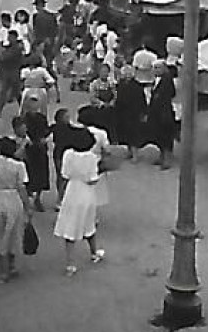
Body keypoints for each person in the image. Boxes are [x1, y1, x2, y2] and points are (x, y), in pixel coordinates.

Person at [52, 126, 104, 276]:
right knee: (89, 224)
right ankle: (94, 253)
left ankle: (70, 264)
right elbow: (93, 180)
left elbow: (64, 174)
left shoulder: (68, 154)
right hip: (87, 194)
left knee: (70, 228)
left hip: (72, 192)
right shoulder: (92, 158)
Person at [0, 135, 32, 283]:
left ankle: (3, 271)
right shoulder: (19, 166)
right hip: (14, 199)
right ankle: (12, 265)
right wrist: (28, 206)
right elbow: (22, 188)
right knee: (14, 233)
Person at [145, 59, 178, 168]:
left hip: (164, 112)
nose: (156, 70)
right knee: (158, 135)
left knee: (165, 136)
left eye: (158, 67)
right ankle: (161, 156)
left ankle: (167, 159)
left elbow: (170, 93)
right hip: (156, 112)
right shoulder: (155, 80)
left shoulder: (167, 80)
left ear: (164, 68)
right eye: (155, 68)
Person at [113, 64, 147, 157]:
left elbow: (142, 100)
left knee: (134, 134)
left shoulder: (137, 86)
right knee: (124, 133)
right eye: (125, 73)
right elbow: (118, 99)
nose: (127, 75)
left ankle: (135, 154)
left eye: (129, 73)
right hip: (122, 113)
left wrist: (143, 113)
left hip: (134, 113)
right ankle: (129, 151)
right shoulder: (120, 85)